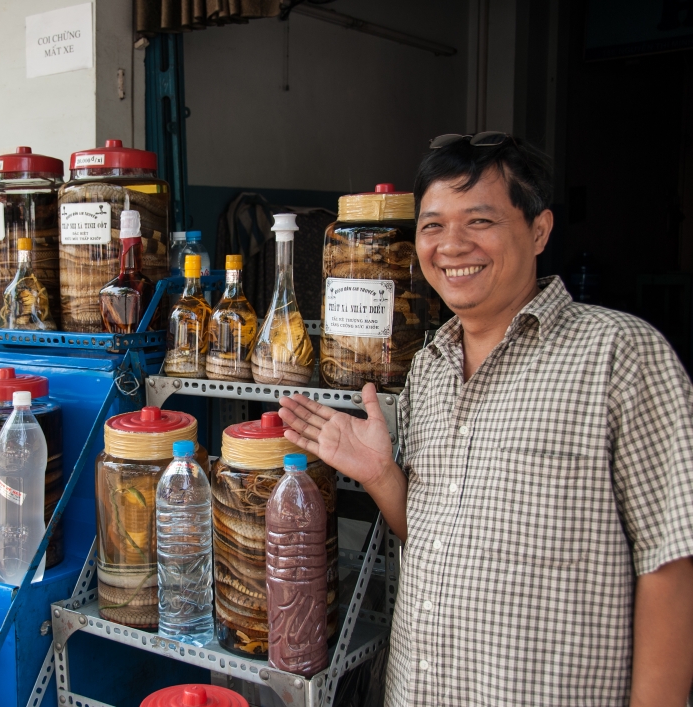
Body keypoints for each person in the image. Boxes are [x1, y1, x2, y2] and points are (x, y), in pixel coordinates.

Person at [279, 133, 693, 705]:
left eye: (479, 221)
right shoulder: (429, 368)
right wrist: (381, 476)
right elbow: (434, 537)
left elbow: (671, 562)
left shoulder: (620, 355)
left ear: (540, 230)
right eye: (433, 225)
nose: (452, 245)